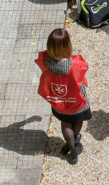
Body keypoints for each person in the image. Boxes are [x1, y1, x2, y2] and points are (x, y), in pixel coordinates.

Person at [36, 28, 90, 164]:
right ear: (68, 45)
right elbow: (84, 71)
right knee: (77, 120)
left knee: (65, 122)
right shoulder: (75, 64)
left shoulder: (46, 61)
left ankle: (71, 146)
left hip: (59, 101)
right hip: (77, 101)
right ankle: (73, 147)